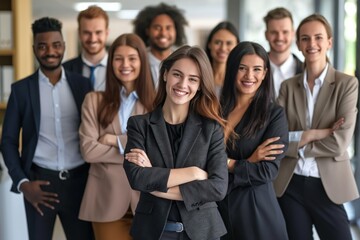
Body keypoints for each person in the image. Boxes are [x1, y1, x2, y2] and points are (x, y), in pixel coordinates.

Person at [0, 17, 93, 240]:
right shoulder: (21, 90)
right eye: (42, 46)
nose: (50, 51)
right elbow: (8, 141)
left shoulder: (82, 85)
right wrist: (22, 183)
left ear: (64, 46)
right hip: (39, 184)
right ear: (34, 49)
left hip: (80, 184)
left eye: (56, 45)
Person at [123, 45, 228, 240]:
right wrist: (194, 173)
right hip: (153, 232)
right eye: (177, 75)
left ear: (199, 86)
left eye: (193, 79)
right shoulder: (139, 125)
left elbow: (218, 188)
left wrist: (154, 182)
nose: (183, 84)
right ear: (165, 75)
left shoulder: (211, 129)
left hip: (202, 232)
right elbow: (137, 178)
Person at [274, 14, 359, 240]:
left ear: (329, 42)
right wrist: (313, 134)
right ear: (299, 44)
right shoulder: (287, 87)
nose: (312, 44)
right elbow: (275, 137)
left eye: (318, 37)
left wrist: (298, 145)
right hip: (290, 184)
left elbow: (339, 143)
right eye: (305, 38)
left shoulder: (346, 84)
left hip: (327, 186)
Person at [78, 33, 156, 240]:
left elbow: (157, 150)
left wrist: (115, 140)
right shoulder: (94, 101)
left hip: (149, 200)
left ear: (142, 61)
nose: (125, 64)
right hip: (105, 200)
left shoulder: (157, 104)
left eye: (132, 58)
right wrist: (136, 151)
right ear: (111, 62)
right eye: (118, 58)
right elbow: (88, 150)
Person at [218, 41, 289, 240]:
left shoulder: (273, 115)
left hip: (255, 211)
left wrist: (228, 164)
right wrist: (249, 161)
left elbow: (268, 171)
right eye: (242, 68)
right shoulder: (214, 110)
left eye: (257, 69)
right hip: (217, 210)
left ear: (265, 73)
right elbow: (199, 159)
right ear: (232, 70)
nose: (250, 76)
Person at [133, 2, 188, 89]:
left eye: (168, 28)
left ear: (176, 31)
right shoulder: (136, 61)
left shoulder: (184, 61)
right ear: (147, 31)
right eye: (157, 28)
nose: (163, 33)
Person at [63, 5, 109, 91]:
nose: (93, 39)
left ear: (107, 33)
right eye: (87, 33)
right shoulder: (64, 70)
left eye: (98, 32)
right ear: (79, 33)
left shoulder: (119, 68)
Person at [263, 7, 303, 98]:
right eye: (274, 32)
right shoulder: (253, 70)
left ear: (293, 34)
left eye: (285, 32)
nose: (280, 37)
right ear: (266, 35)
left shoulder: (306, 71)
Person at [205, 21, 240, 97]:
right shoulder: (199, 74)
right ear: (209, 44)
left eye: (229, 43)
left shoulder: (240, 78)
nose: (223, 48)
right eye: (218, 42)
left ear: (237, 46)